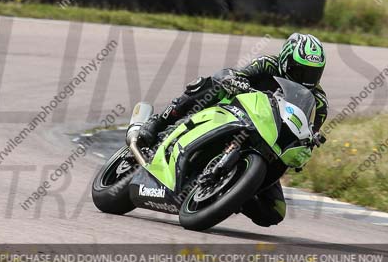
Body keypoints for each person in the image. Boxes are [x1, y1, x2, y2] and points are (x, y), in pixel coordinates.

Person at [138, 33, 328, 227]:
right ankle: (158, 123)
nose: (306, 79)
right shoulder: (267, 64)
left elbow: (310, 131)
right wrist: (236, 80)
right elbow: (238, 74)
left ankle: (232, 191)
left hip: (270, 145)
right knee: (212, 84)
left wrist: (308, 143)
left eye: (313, 73)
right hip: (238, 112)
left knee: (275, 211)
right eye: (301, 71)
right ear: (285, 61)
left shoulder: (319, 101)